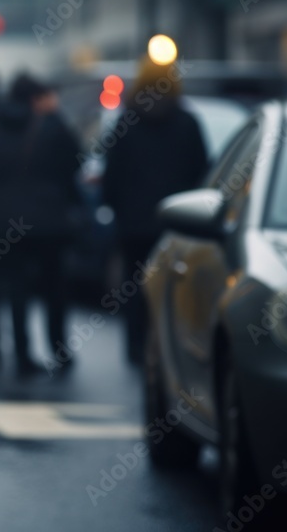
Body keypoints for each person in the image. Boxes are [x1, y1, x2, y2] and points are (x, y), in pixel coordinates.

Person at [0, 74, 82, 373]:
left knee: (15, 289)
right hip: (49, 220)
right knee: (54, 287)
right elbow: (76, 165)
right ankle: (59, 349)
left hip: (5, 222)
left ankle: (22, 354)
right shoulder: (52, 126)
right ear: (35, 98)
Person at [102, 58, 208, 364]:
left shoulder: (126, 122)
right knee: (175, 289)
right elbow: (201, 174)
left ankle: (137, 347)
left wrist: (117, 209)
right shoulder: (188, 123)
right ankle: (170, 348)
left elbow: (112, 176)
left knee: (135, 287)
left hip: (134, 224)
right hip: (178, 223)